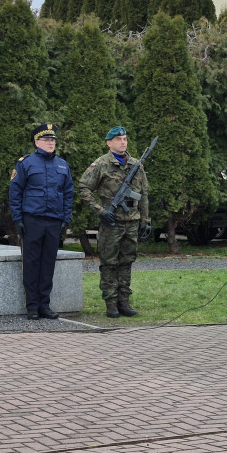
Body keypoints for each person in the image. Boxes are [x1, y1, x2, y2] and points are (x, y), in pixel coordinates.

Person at [78, 126, 152, 318]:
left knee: (127, 262)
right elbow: (84, 188)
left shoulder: (136, 165)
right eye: (118, 139)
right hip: (111, 223)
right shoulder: (101, 164)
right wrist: (100, 211)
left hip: (132, 222)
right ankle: (111, 303)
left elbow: (143, 194)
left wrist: (145, 220)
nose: (123, 142)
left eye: (125, 138)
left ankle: (124, 302)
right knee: (109, 263)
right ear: (109, 143)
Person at [8, 124, 74, 320]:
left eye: (53, 140)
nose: (51, 142)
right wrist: (18, 219)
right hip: (32, 220)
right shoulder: (25, 163)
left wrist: (65, 217)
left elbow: (68, 193)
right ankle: (32, 307)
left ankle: (45, 304)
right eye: (46, 140)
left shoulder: (62, 165)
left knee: (47, 264)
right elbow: (15, 192)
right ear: (37, 142)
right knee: (31, 263)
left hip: (53, 222)